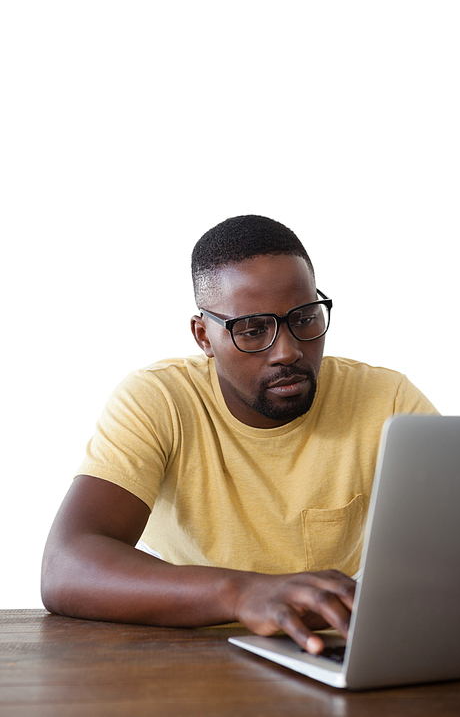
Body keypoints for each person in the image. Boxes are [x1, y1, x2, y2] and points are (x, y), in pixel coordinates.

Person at [41, 215, 438, 655]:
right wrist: (241, 593)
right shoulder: (160, 399)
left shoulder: (387, 400)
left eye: (304, 319)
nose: (287, 351)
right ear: (203, 336)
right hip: (193, 651)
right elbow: (66, 567)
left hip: (327, 648)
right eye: (253, 330)